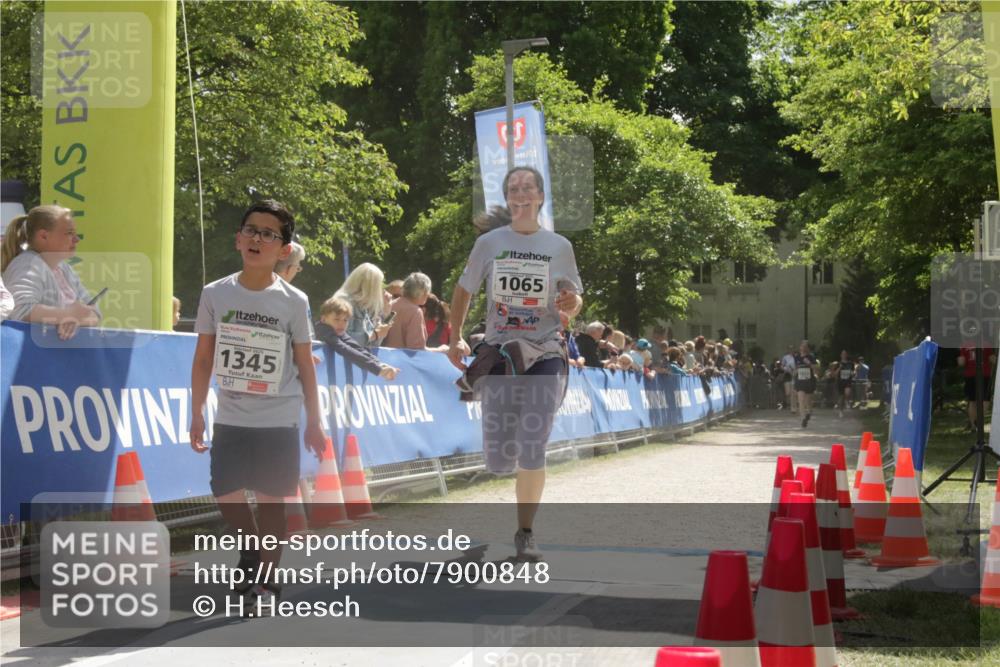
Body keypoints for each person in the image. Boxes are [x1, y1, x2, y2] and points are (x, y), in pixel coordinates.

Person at [189, 200, 325, 605]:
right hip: (231, 415)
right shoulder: (215, 293)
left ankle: (267, 580)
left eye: (269, 234)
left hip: (279, 417)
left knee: (271, 501)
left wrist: (314, 420)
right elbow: (203, 358)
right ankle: (251, 550)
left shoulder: (293, 300)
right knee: (225, 492)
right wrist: (196, 412)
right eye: (251, 230)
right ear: (238, 238)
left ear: (284, 249)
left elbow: (305, 363)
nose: (257, 239)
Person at [447, 166, 582, 561]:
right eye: (513, 188)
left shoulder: (559, 246)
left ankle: (526, 532)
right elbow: (464, 289)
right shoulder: (489, 243)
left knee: (533, 444)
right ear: (508, 198)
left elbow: (574, 297)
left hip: (545, 351)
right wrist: (455, 335)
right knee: (500, 458)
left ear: (540, 196)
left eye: (528, 187)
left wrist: (571, 302)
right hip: (501, 353)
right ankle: (510, 482)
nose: (520, 193)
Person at [1, 205, 100, 340]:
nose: (76, 239)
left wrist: (73, 320)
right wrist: (67, 314)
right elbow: (18, 309)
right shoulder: (27, 264)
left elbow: (95, 313)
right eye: (69, 233)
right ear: (43, 236)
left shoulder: (64, 268)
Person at [314, 296, 400, 380]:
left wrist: (380, 364)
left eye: (345, 320)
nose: (341, 323)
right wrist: (378, 369)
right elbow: (344, 349)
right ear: (323, 319)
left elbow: (357, 348)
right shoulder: (323, 330)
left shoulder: (339, 331)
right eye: (336, 319)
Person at [334, 262, 392, 349]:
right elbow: (340, 338)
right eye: (379, 284)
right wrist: (374, 335)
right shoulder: (343, 302)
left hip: (361, 356)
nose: (381, 289)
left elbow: (375, 344)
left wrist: (386, 314)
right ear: (370, 286)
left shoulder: (368, 306)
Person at [958, 344, 996, 432]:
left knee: (972, 401)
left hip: (970, 375)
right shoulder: (986, 344)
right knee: (986, 399)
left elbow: (961, 362)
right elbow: (992, 360)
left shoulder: (965, 346)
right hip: (984, 374)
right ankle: (978, 420)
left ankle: (973, 426)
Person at [793, 340, 820, 428]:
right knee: (801, 399)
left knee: (808, 401)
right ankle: (803, 418)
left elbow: (816, 368)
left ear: (807, 348)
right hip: (800, 381)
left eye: (805, 346)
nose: (803, 348)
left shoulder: (811, 357)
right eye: (802, 346)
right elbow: (796, 369)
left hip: (809, 381)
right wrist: (795, 372)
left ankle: (808, 413)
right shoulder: (797, 357)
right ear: (800, 347)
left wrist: (809, 363)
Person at [835, 349, 854, 418]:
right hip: (840, 382)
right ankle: (840, 411)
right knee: (841, 397)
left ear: (847, 355)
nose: (844, 355)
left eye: (845, 354)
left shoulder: (850, 363)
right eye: (843, 354)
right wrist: (840, 367)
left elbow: (853, 372)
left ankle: (846, 401)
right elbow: (835, 373)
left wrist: (852, 373)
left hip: (848, 381)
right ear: (841, 355)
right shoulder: (838, 363)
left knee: (847, 393)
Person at [780, 345, 797, 413]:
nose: (791, 350)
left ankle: (793, 408)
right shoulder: (785, 357)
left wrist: (795, 371)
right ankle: (790, 404)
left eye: (792, 348)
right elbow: (782, 366)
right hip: (787, 375)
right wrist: (785, 369)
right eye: (790, 349)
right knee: (788, 392)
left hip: (794, 375)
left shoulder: (796, 357)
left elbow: (798, 365)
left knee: (793, 392)